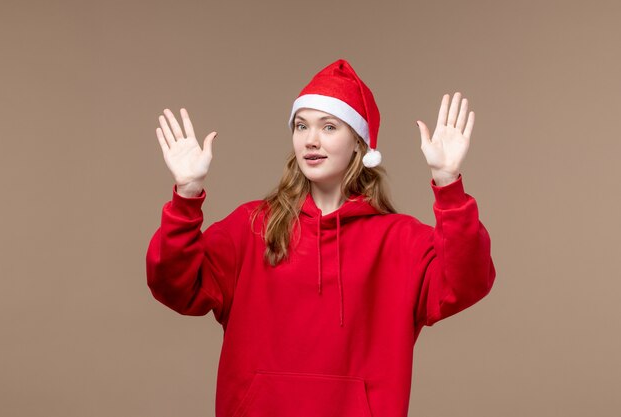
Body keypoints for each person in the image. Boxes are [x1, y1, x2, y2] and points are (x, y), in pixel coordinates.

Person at [146, 59, 496, 417]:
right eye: (301, 126)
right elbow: (173, 284)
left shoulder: (400, 240)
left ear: (360, 144)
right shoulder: (251, 227)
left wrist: (448, 183)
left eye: (328, 127)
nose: (310, 140)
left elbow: (466, 281)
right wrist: (187, 193)